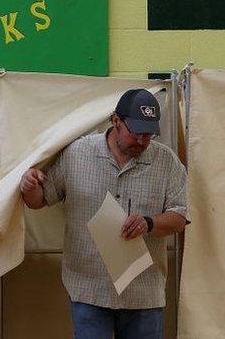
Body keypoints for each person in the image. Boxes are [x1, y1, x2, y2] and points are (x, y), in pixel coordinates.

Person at [19, 89, 188, 339]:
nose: (142, 141)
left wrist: (149, 223)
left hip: (143, 293)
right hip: (88, 290)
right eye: (136, 132)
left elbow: (180, 217)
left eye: (149, 134)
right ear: (116, 121)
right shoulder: (77, 153)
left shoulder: (167, 162)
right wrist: (29, 187)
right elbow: (40, 200)